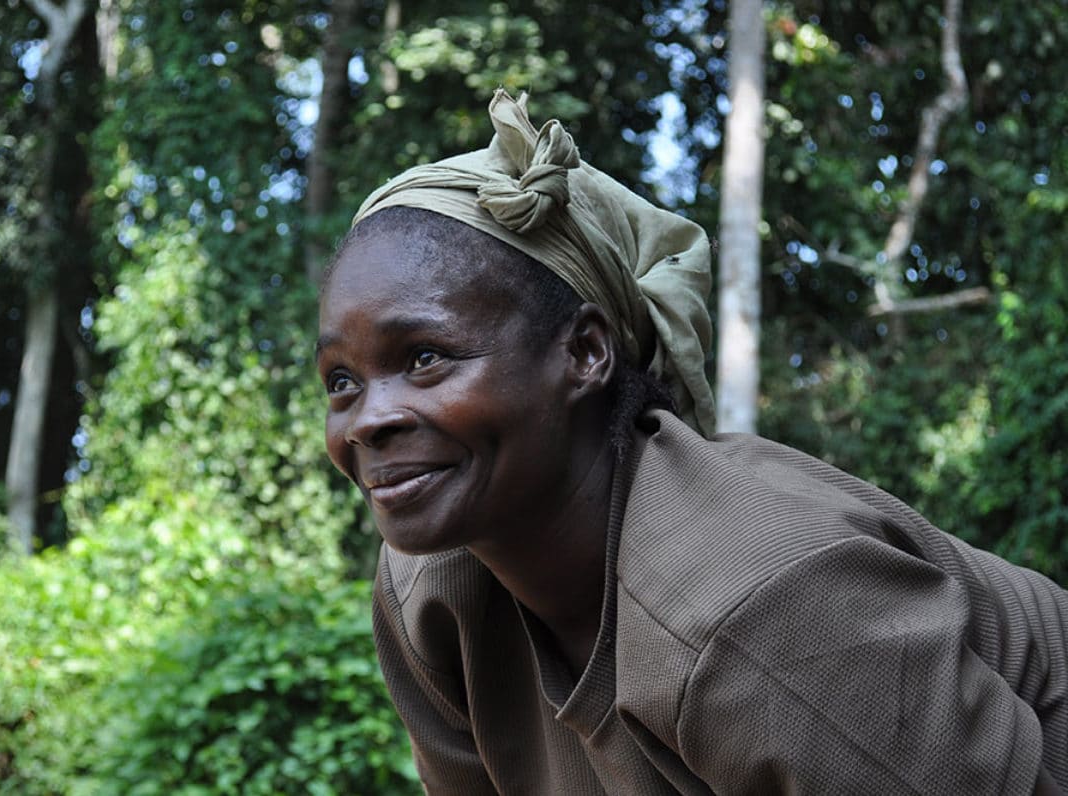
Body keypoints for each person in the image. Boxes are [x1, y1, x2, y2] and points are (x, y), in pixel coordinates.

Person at [315, 89, 1068, 794]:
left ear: (584, 354)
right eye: (342, 380)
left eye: (425, 358)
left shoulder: (755, 607)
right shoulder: (432, 592)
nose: (368, 420)